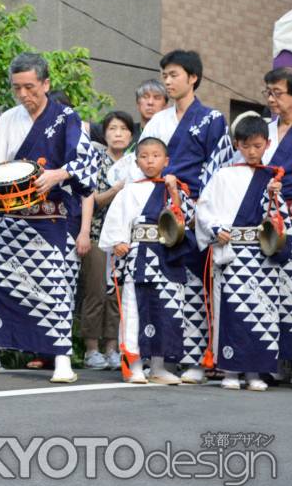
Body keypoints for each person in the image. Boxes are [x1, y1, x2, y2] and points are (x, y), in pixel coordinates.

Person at [0, 53, 98, 383]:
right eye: (17, 88)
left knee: (55, 288)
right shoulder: (8, 118)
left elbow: (86, 163)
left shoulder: (66, 117)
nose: (23, 94)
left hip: (51, 218)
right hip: (12, 216)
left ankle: (61, 358)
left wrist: (57, 175)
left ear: (46, 84)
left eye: (30, 87)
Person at [130, 50, 234, 385]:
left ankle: (198, 359)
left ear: (193, 77)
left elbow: (219, 169)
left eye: (174, 75)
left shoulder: (212, 118)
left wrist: (200, 210)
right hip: (162, 208)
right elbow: (145, 161)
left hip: (196, 207)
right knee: (166, 285)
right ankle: (163, 356)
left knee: (196, 287)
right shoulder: (159, 120)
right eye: (165, 76)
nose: (168, 81)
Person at [196, 115, 292, 391]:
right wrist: (216, 229)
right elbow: (204, 208)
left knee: (262, 311)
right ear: (237, 144)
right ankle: (229, 370)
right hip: (233, 252)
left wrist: (274, 195)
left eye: (258, 146)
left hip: (262, 254)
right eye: (247, 146)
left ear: (267, 144)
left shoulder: (271, 177)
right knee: (231, 311)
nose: (252, 151)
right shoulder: (223, 175)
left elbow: (278, 221)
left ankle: (254, 371)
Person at [98, 138, 192, 384]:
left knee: (166, 311)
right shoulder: (129, 189)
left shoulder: (175, 188)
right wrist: (118, 241)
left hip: (167, 255)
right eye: (144, 156)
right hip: (138, 256)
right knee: (133, 311)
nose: (150, 161)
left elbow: (186, 219)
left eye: (156, 156)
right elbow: (117, 220)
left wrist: (173, 191)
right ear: (137, 160)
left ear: (166, 160)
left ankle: (159, 367)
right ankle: (134, 364)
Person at [81, 111, 134, 370]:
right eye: (113, 128)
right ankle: (91, 350)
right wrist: (116, 190)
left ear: (131, 135)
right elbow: (92, 199)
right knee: (96, 293)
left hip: (124, 239)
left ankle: (112, 348)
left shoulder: (136, 163)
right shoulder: (95, 160)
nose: (118, 133)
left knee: (117, 295)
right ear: (105, 133)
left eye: (123, 129)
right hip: (97, 234)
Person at [258, 68, 292, 387]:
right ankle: (271, 359)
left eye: (278, 93)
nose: (271, 99)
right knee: (269, 289)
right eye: (268, 93)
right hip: (266, 219)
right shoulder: (264, 130)